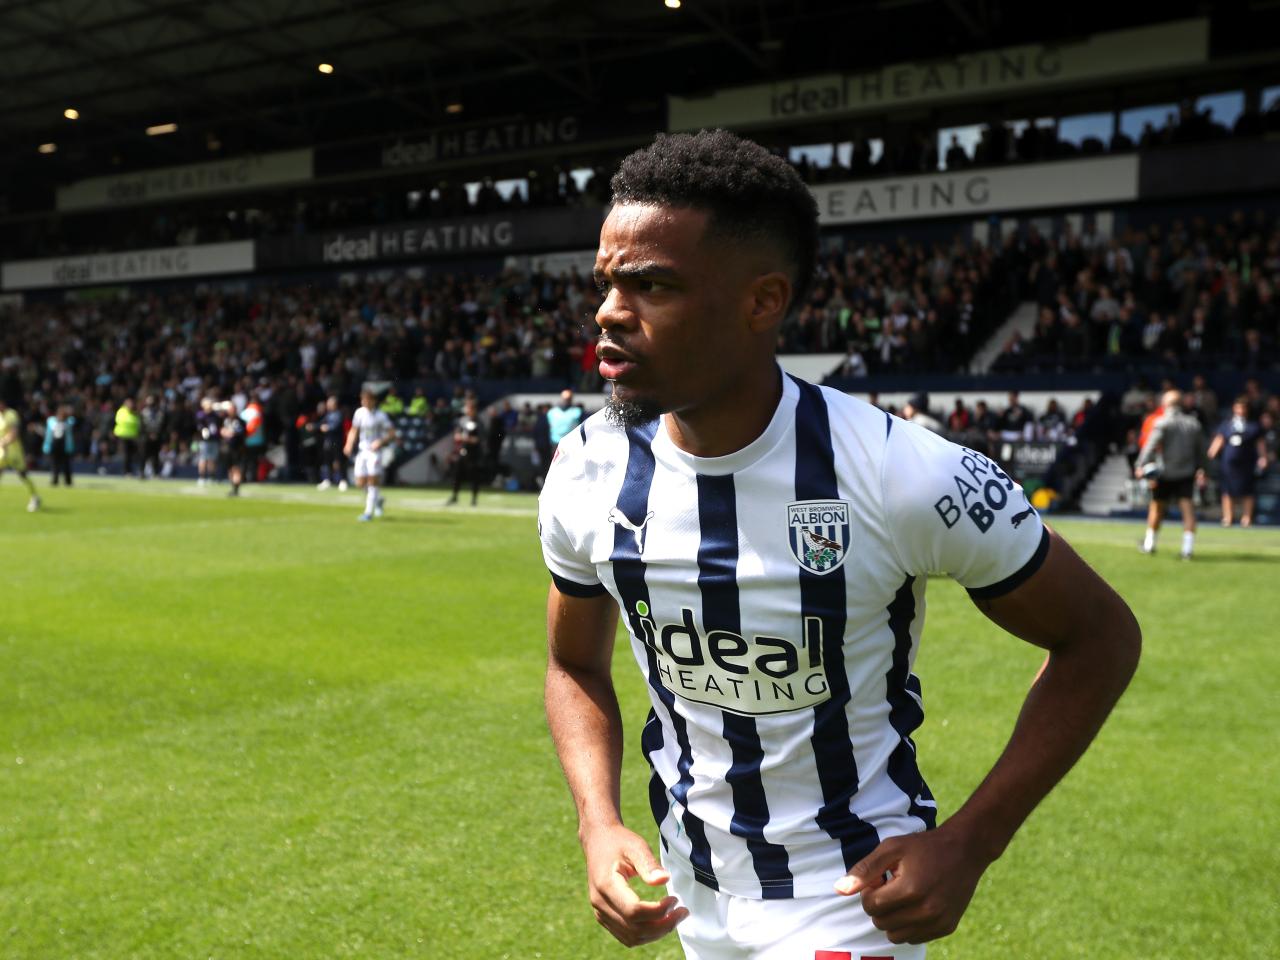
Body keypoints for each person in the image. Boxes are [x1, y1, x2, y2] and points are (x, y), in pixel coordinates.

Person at [538, 129, 1141, 959]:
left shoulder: (902, 472)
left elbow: (1100, 636)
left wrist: (972, 840)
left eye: (653, 285)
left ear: (763, 301)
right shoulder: (584, 467)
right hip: (689, 891)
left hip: (851, 899)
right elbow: (573, 665)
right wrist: (596, 823)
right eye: (607, 283)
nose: (609, 311)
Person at [1135, 389, 1208, 559]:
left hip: (1164, 474)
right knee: (1188, 510)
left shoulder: (1162, 422)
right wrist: (1205, 470)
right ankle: (1187, 550)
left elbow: (1150, 446)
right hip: (1186, 474)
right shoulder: (1193, 423)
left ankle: (1149, 545)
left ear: (1165, 404)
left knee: (1156, 509)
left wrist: (1140, 465)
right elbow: (1202, 452)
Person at [1207, 396, 1269, 527]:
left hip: (1247, 463)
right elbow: (1218, 441)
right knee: (1227, 491)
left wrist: (1263, 458)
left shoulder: (1254, 426)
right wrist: (1210, 456)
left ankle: (1246, 518)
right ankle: (1228, 517)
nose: (1240, 410)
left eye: (1243, 408)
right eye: (1238, 407)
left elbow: (1260, 444)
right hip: (1228, 464)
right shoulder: (1227, 425)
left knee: (1248, 491)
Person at [344, 389, 396, 522]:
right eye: (362, 399)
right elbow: (354, 430)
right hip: (362, 451)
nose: (364, 402)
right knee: (360, 482)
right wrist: (349, 444)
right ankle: (378, 500)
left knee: (372, 481)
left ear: (373, 401)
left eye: (366, 399)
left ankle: (368, 512)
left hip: (374, 453)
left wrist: (380, 441)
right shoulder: (359, 413)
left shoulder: (381, 416)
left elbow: (391, 434)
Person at [0, 398, 41, 511]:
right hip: (2, 452)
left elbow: (14, 433)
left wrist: (4, 442)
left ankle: (35, 497)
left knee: (23, 475)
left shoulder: (11, 415)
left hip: (14, 452)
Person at [445, 397, 483, 506]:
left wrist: (466, 438)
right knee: (457, 474)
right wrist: (459, 437)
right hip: (463, 451)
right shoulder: (463, 420)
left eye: (469, 407)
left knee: (474, 476)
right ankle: (454, 496)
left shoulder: (478, 422)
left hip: (474, 453)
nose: (467, 409)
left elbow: (478, 439)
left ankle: (474, 499)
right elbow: (457, 434)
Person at [316, 396, 349, 491]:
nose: (328, 405)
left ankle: (343, 481)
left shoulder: (338, 414)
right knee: (327, 461)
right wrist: (313, 426)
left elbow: (335, 426)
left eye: (330, 403)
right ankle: (327, 480)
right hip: (328, 441)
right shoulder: (328, 414)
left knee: (338, 461)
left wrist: (327, 428)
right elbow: (321, 423)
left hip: (337, 441)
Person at [219, 401, 247, 497]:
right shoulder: (226, 420)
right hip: (227, 449)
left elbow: (236, 433)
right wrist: (226, 432)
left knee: (236, 468)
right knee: (230, 469)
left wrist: (228, 433)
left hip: (236, 448)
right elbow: (223, 431)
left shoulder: (239, 421)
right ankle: (233, 487)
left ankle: (236, 489)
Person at [43, 404, 75, 486]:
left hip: (65, 446)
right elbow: (48, 434)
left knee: (66, 464)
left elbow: (73, 420)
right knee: (54, 464)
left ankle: (68, 481)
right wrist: (46, 446)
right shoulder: (51, 421)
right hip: (54, 445)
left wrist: (66, 416)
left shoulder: (69, 422)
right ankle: (55, 480)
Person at [194, 397, 221, 487]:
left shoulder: (215, 415)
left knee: (212, 459)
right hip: (204, 441)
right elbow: (200, 427)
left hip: (214, 440)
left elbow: (218, 426)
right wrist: (204, 431)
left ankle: (212, 477)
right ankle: (201, 477)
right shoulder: (201, 415)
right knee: (203, 459)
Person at [114, 397, 141, 478]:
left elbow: (138, 422)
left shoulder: (135, 412)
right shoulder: (121, 411)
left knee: (133, 455)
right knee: (127, 455)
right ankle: (126, 472)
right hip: (123, 435)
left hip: (133, 436)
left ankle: (134, 471)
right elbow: (122, 420)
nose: (130, 405)